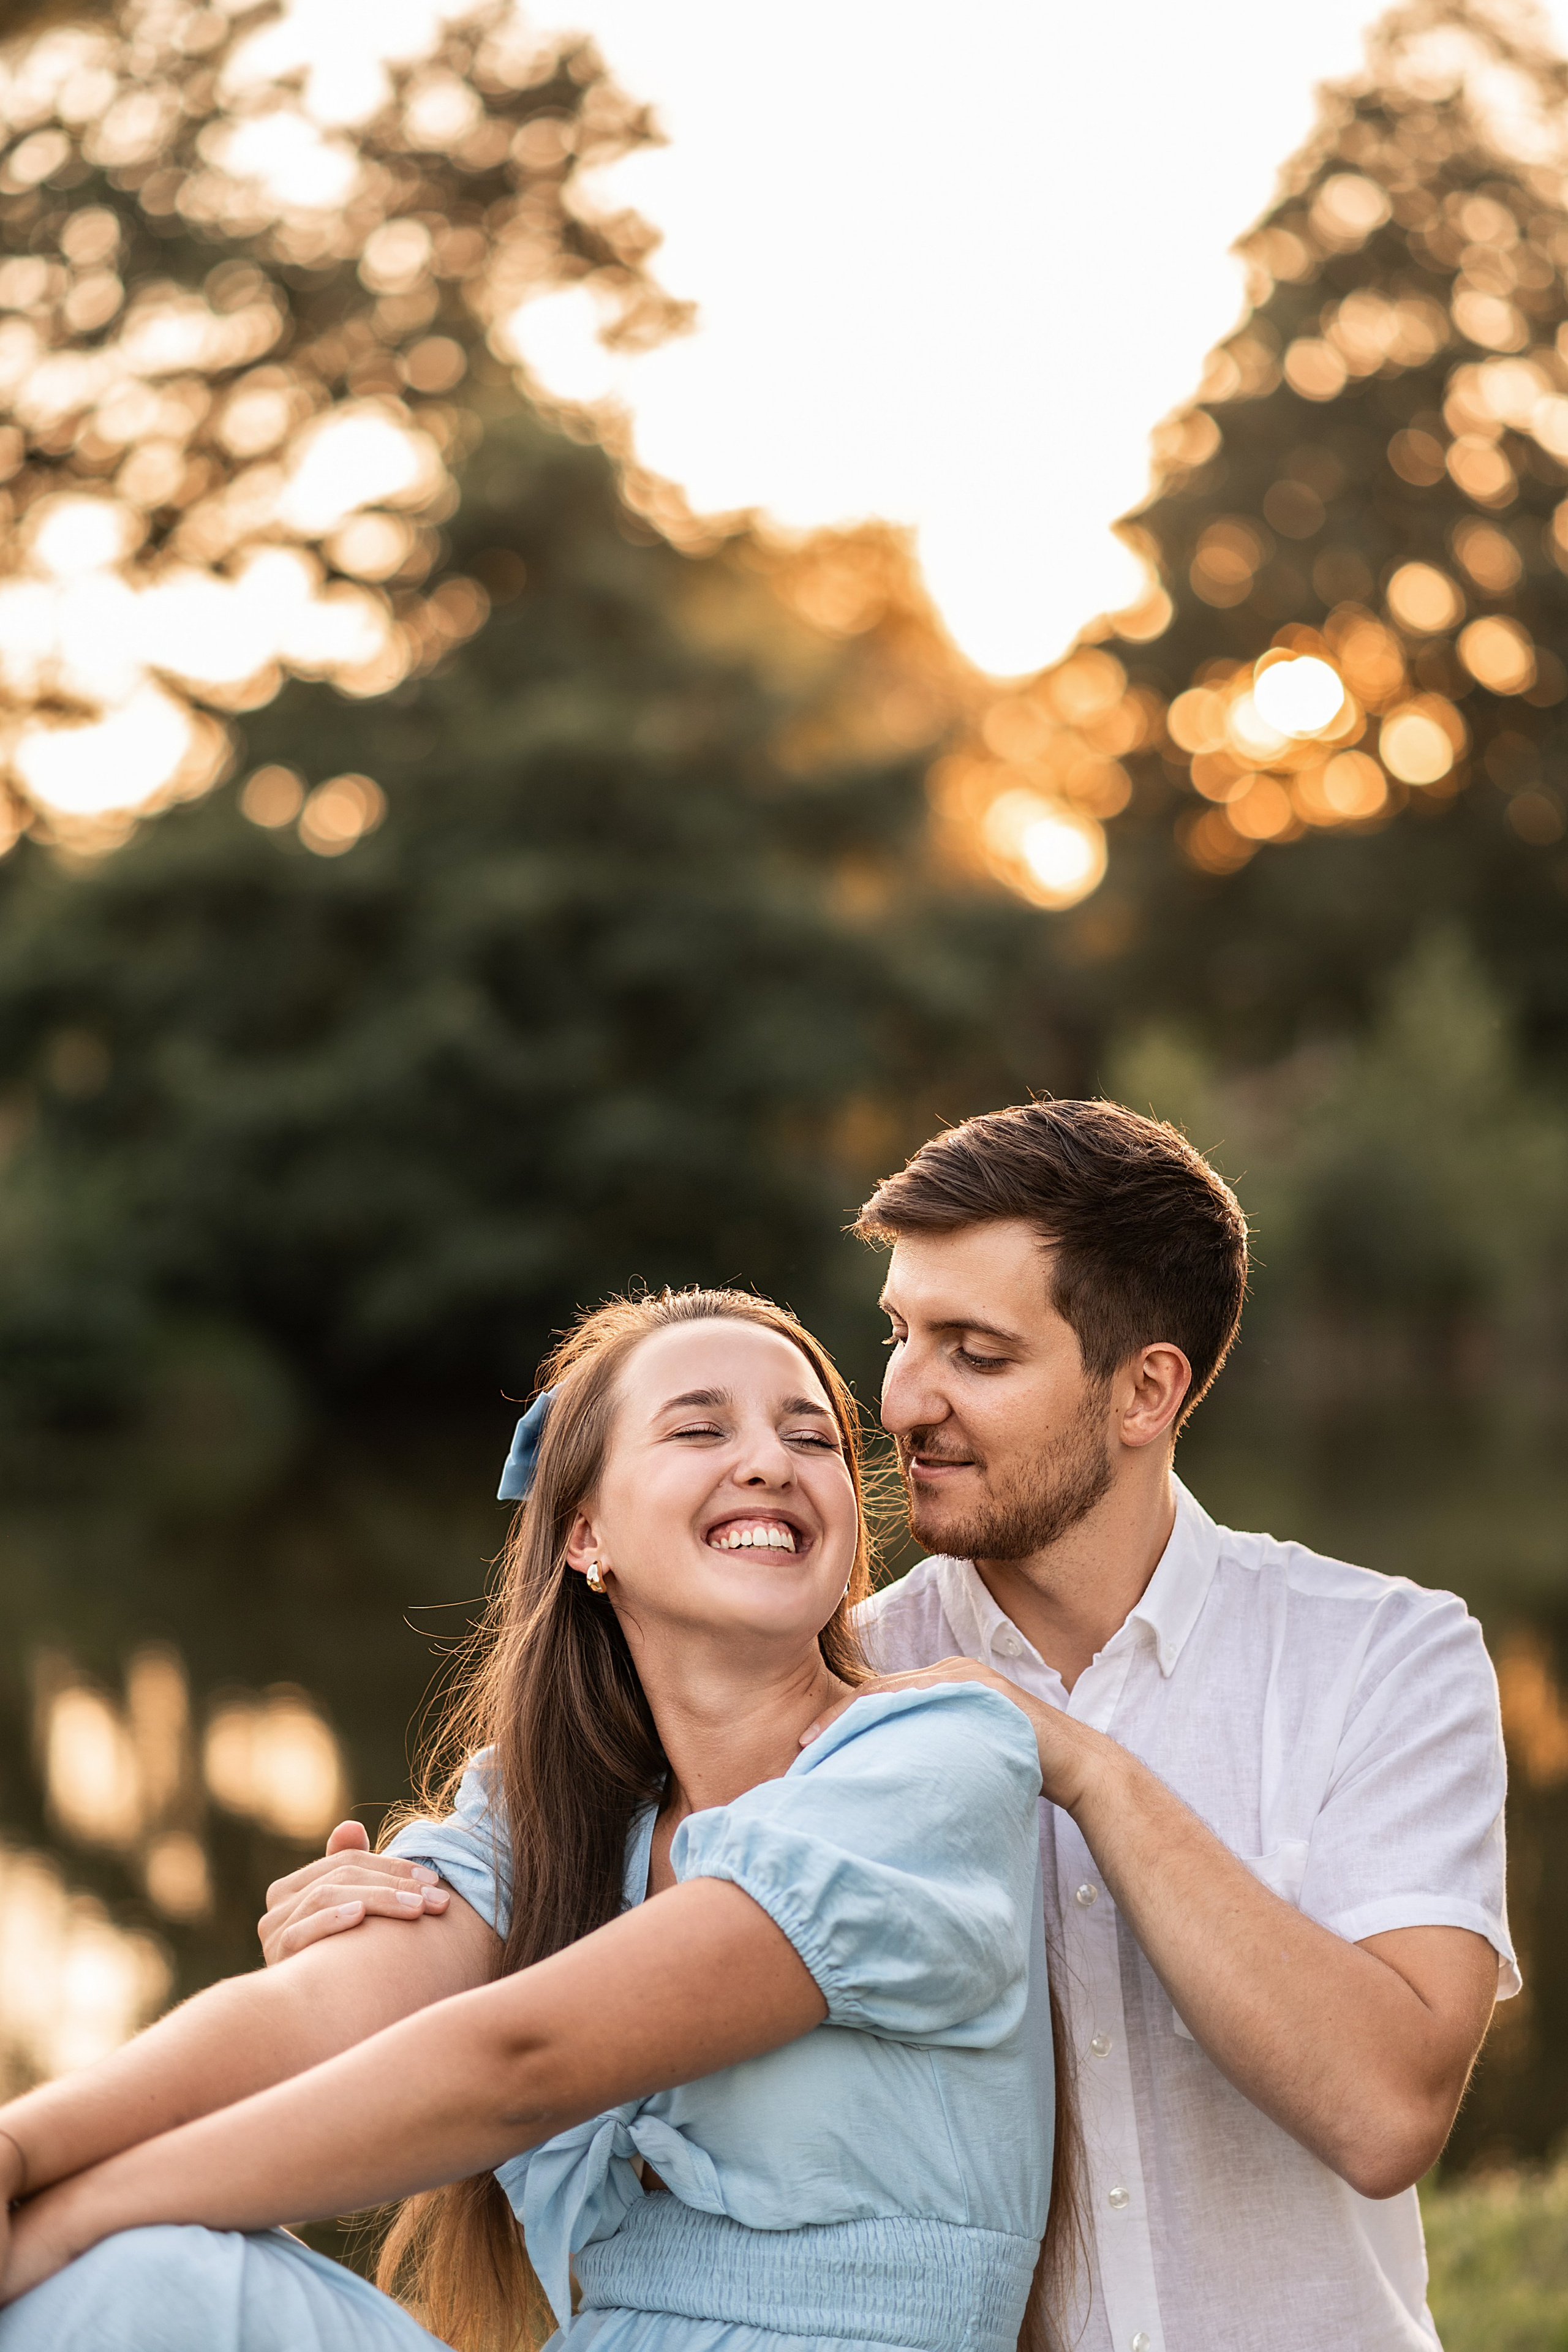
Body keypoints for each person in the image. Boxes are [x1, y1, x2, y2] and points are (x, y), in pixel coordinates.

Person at [276, 1102, 1515, 2352]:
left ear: (1145, 1391)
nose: (904, 1400)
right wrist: (380, 1915)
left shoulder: (1377, 1654)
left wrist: (1085, 1771)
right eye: (899, 1336)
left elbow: (1382, 2109)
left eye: (974, 1353)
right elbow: (544, 1852)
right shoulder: (807, 1667)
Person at [0, 1289, 1073, 2352]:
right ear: (584, 1536)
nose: (767, 1462)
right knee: (161, 2283)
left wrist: (76, 2215)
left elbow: (522, 2063)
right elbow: (308, 2019)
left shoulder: (935, 1759)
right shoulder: (544, 1814)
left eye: (812, 1437)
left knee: (121, 2265)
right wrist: (22, 2153)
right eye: (701, 1428)